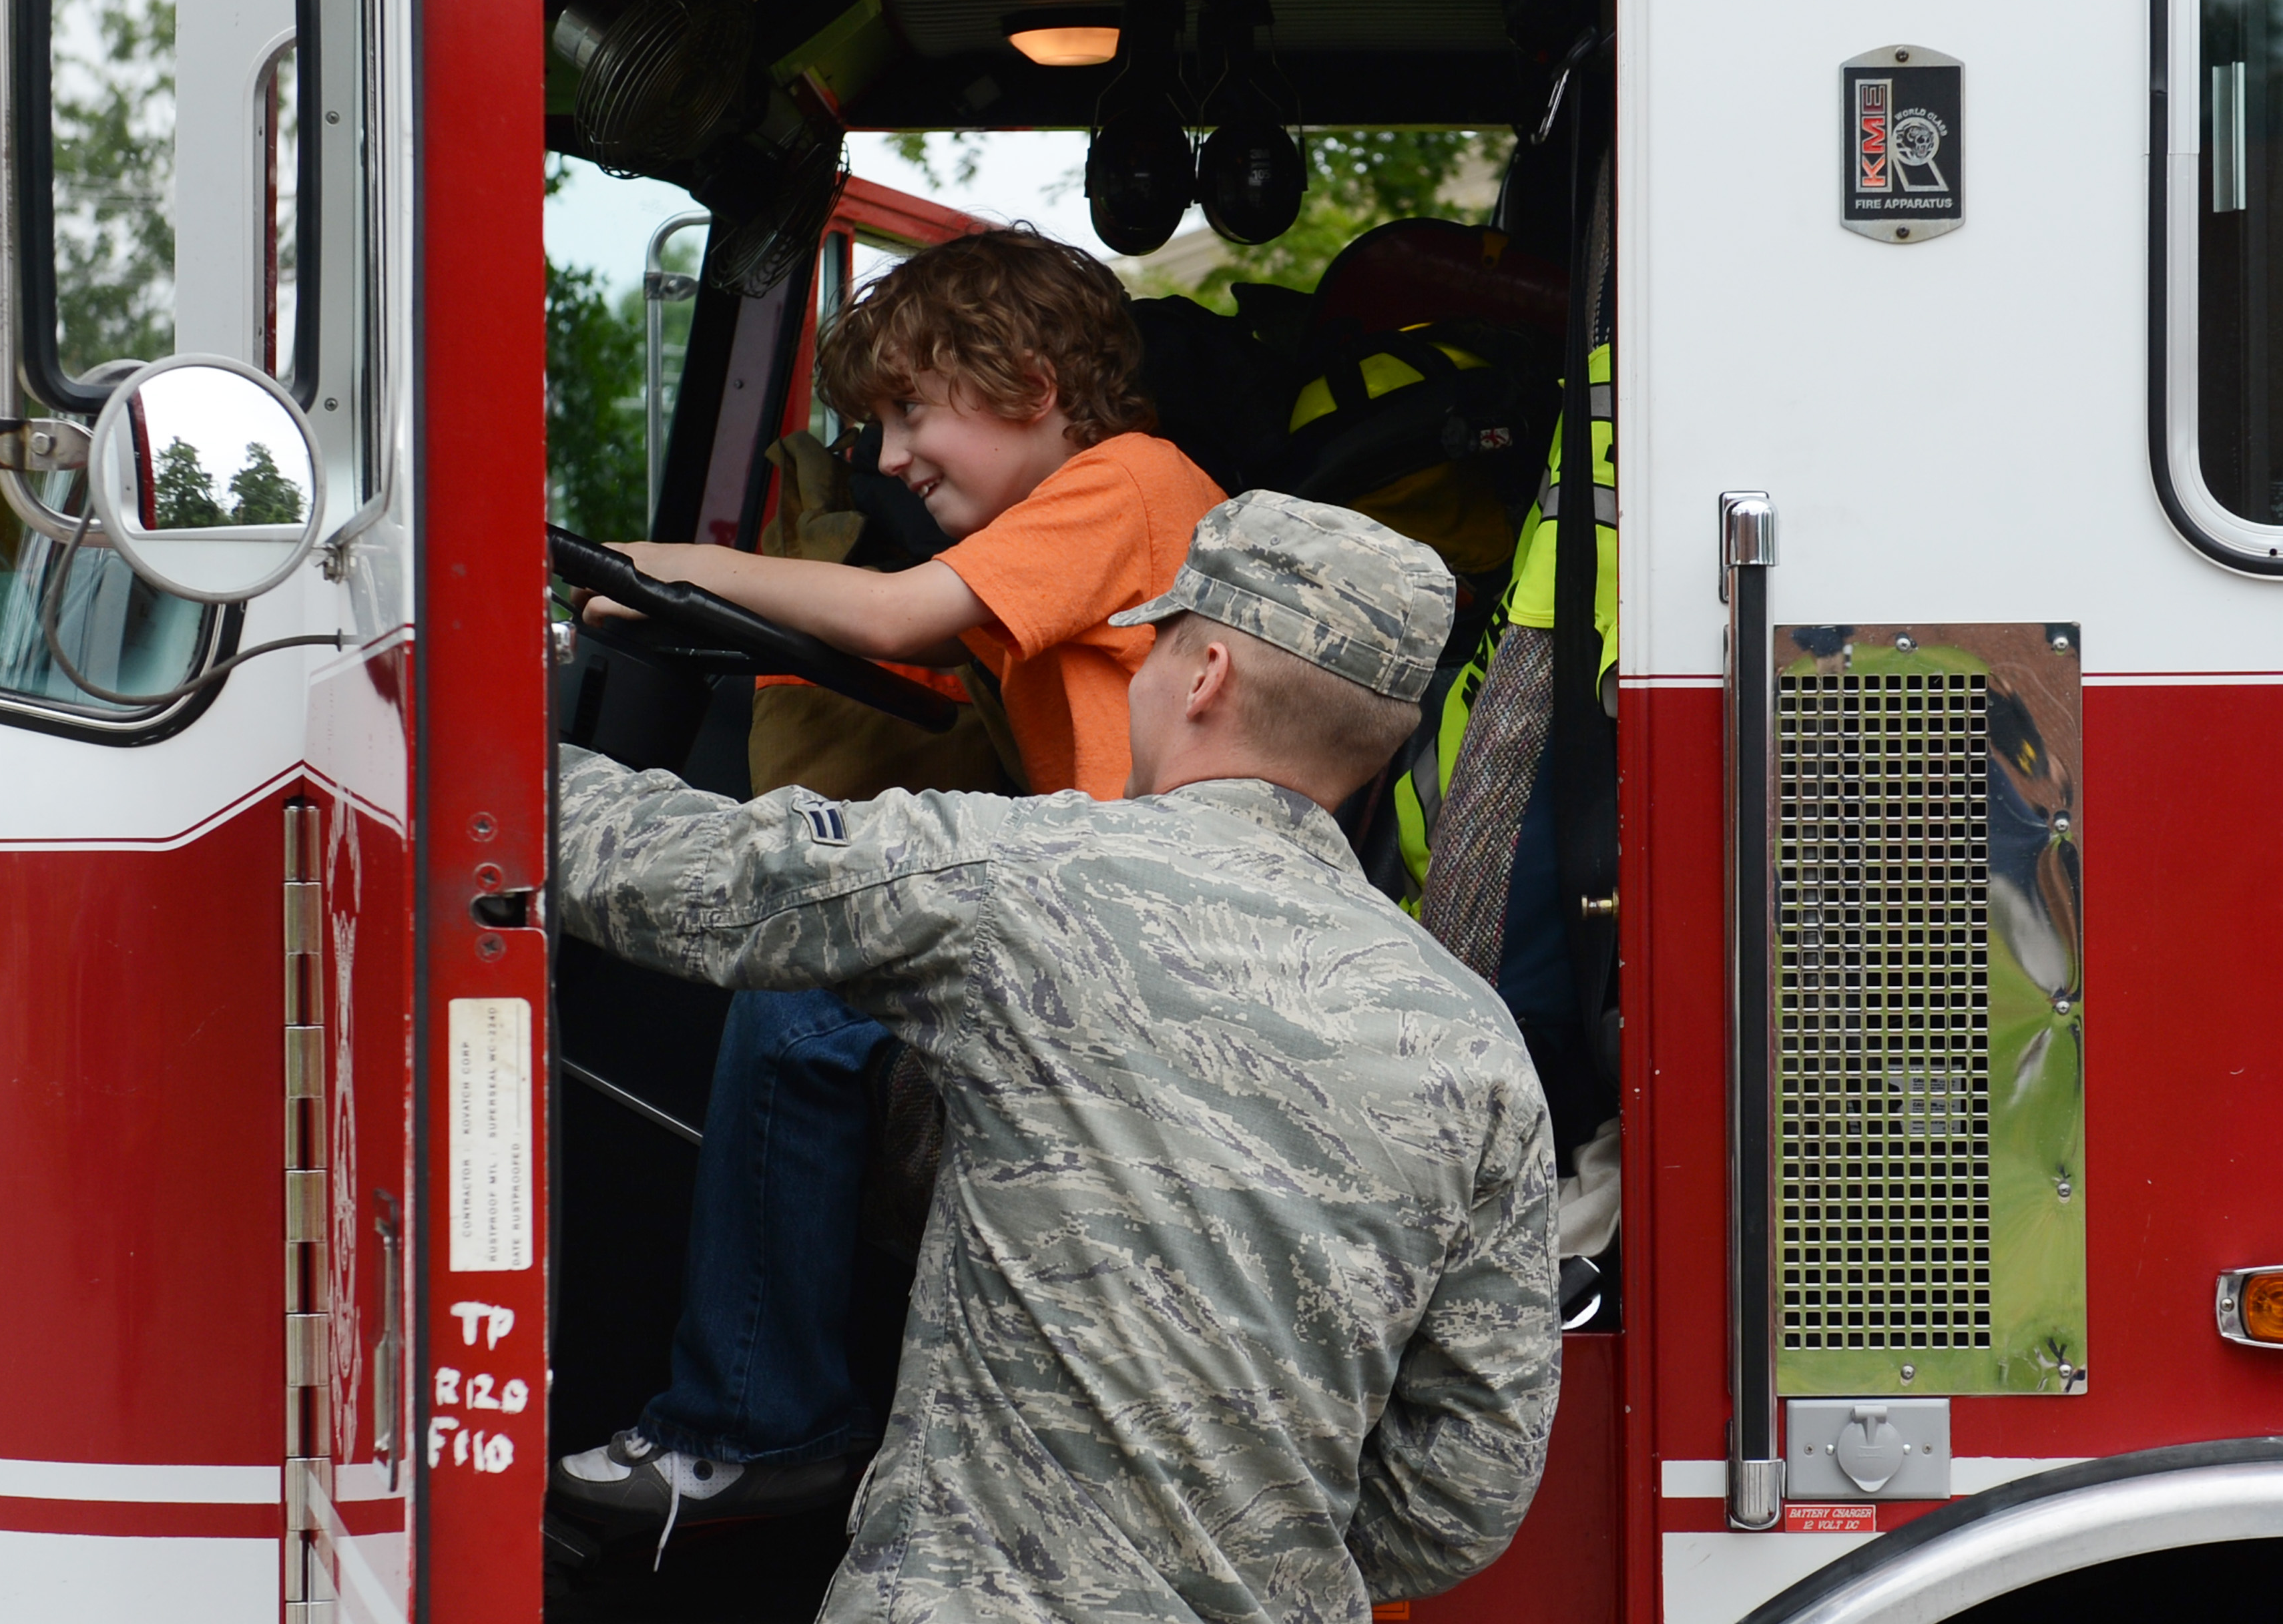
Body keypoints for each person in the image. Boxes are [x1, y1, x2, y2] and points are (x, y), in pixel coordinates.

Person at [553, 491, 1559, 1623]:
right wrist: (1253, 1557)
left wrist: (435, 719)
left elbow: (674, 874)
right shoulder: (1477, 1043)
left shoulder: (1030, 880)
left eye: (1150, 651)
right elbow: (1464, 1493)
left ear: (1206, 675)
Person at [560, 228, 1226, 1531]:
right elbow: (912, 671)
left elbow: (889, 617)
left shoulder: (1124, 483)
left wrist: (671, 567)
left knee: (801, 989)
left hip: (1144, 942)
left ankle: (755, 1418)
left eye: (911, 411)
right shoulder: (1054, 532)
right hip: (1095, 911)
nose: (883, 456)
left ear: (1031, 385)